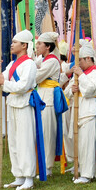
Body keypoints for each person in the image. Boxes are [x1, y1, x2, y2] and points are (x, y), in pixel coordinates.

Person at [0, 29, 39, 190]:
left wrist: (3, 82)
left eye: (15, 42)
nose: (12, 45)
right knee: (13, 140)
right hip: (12, 102)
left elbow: (23, 86)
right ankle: (18, 175)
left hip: (24, 103)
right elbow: (1, 81)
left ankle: (29, 177)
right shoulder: (12, 64)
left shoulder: (29, 64)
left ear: (24, 45)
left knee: (25, 141)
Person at [67, 40, 96, 184]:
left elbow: (90, 90)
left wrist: (81, 77)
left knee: (87, 143)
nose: (79, 64)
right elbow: (68, 91)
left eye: (81, 60)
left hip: (90, 110)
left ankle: (87, 173)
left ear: (89, 59)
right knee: (79, 143)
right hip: (78, 110)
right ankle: (79, 168)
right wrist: (72, 90)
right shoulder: (80, 73)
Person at [33, 31, 64, 173]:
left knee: (47, 133)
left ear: (48, 47)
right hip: (42, 96)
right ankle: (42, 164)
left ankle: (47, 166)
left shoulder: (51, 60)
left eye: (40, 43)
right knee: (41, 131)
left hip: (49, 98)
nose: (37, 46)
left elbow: (37, 76)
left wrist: (31, 70)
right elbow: (33, 65)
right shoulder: (43, 59)